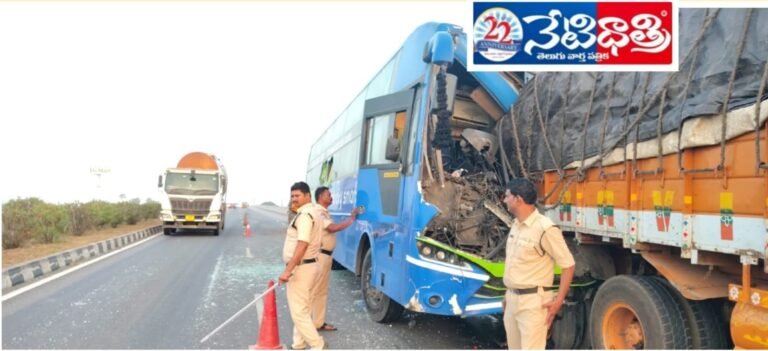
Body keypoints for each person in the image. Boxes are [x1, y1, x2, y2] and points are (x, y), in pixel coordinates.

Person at [501, 179, 575, 350]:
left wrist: (558, 301)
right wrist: (508, 295)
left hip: (534, 304)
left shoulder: (545, 228)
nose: (504, 200)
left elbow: (568, 265)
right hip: (512, 299)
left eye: (507, 196)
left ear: (518, 199)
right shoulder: (516, 225)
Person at [279, 182, 325, 350]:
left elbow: (302, 243)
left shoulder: (305, 216)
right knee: (304, 309)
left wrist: (288, 270)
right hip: (312, 265)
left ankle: (318, 345)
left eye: (297, 196)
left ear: (307, 196)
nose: (294, 199)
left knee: (299, 312)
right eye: (292, 196)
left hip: (302, 268)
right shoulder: (314, 213)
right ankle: (298, 344)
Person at [310, 186, 360, 332]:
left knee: (321, 292)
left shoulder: (324, 212)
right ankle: (307, 324)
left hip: (326, 256)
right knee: (315, 291)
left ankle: (318, 323)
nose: (331, 197)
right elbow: (331, 228)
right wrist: (351, 220)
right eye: (328, 195)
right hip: (320, 256)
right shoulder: (318, 212)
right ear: (321, 197)